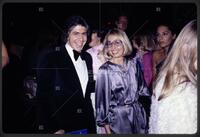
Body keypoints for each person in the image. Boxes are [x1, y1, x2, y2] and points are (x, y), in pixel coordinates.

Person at [36, 16, 96, 134]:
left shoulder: (88, 58)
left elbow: (85, 91)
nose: (81, 38)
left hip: (87, 123)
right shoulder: (51, 57)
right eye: (76, 33)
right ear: (67, 35)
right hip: (62, 126)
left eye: (84, 33)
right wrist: (53, 127)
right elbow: (42, 96)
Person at [95, 28, 150, 134]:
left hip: (138, 116)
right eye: (109, 43)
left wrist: (145, 114)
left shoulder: (133, 64)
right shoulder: (104, 70)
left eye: (117, 42)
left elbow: (143, 91)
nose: (113, 47)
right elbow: (101, 105)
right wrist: (107, 131)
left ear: (124, 43)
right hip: (118, 121)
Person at [149, 20, 197, 134]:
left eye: (164, 34)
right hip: (165, 89)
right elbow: (154, 76)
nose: (160, 38)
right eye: (158, 35)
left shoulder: (180, 53)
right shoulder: (156, 54)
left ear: (174, 35)